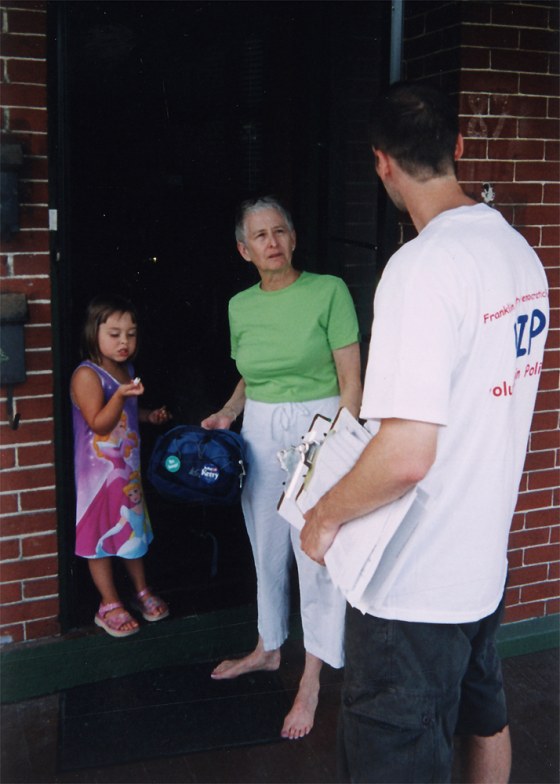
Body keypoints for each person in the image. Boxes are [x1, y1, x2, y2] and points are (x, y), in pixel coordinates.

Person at [300, 81, 549, 783]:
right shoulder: (518, 256)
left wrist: (321, 517)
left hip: (412, 586)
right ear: (458, 148)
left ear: (381, 162)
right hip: (480, 568)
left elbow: (407, 455)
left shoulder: (421, 268)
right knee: (485, 719)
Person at [201, 196, 362, 739]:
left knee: (314, 551)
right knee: (265, 544)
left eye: (280, 232)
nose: (272, 242)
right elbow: (253, 376)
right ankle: (269, 647)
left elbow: (351, 382)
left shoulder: (328, 291)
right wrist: (227, 412)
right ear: (244, 251)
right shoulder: (240, 306)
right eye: (260, 236)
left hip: (319, 427)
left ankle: (312, 676)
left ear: (293, 239)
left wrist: (340, 447)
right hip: (260, 428)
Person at [71, 294, 172, 638]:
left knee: (131, 533)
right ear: (93, 333)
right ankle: (108, 603)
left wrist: (146, 415)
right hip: (97, 479)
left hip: (126, 473)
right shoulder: (87, 375)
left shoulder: (125, 370)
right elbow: (99, 423)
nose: (124, 342)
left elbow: (123, 417)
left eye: (131, 333)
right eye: (114, 334)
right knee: (100, 537)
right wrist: (120, 397)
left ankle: (140, 590)